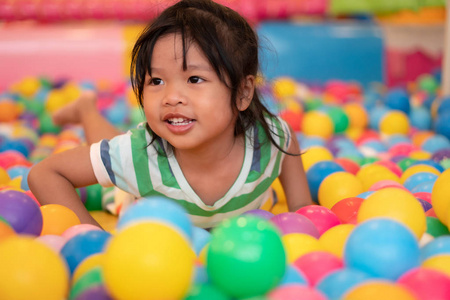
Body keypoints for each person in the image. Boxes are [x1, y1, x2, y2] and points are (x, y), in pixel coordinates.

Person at [28, 0, 312, 229]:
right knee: (115, 161)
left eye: (194, 79)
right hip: (146, 207)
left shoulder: (269, 138)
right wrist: (99, 243)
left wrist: (301, 210)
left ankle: (86, 107)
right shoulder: (138, 156)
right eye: (156, 81)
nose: (171, 97)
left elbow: (302, 208)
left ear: (243, 93)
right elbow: (45, 173)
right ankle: (86, 108)